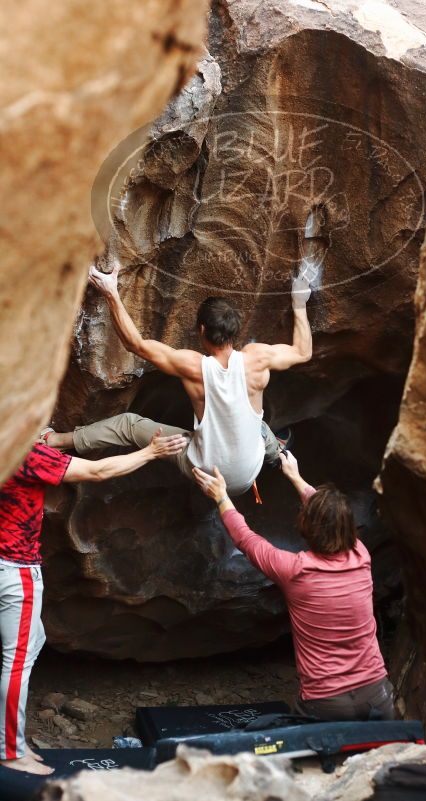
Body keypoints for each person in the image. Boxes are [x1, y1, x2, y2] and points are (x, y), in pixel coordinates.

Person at [0, 431, 185, 775]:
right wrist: (151, 452)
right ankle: (9, 751)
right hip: (16, 568)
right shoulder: (24, 453)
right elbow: (98, 472)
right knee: (17, 662)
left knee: (32, 641)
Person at [45, 263, 313, 497]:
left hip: (205, 472)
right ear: (235, 331)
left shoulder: (192, 366)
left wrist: (110, 292)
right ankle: (276, 456)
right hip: (245, 474)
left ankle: (56, 441)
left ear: (201, 330)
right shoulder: (258, 359)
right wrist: (299, 302)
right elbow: (303, 352)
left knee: (128, 425)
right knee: (260, 427)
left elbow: (135, 344)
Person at [193, 452, 394, 722]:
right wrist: (296, 477)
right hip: (377, 697)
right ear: (349, 528)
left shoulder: (295, 571)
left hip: (326, 703)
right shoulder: (361, 556)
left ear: (306, 526)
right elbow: (331, 518)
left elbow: (246, 539)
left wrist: (221, 497)